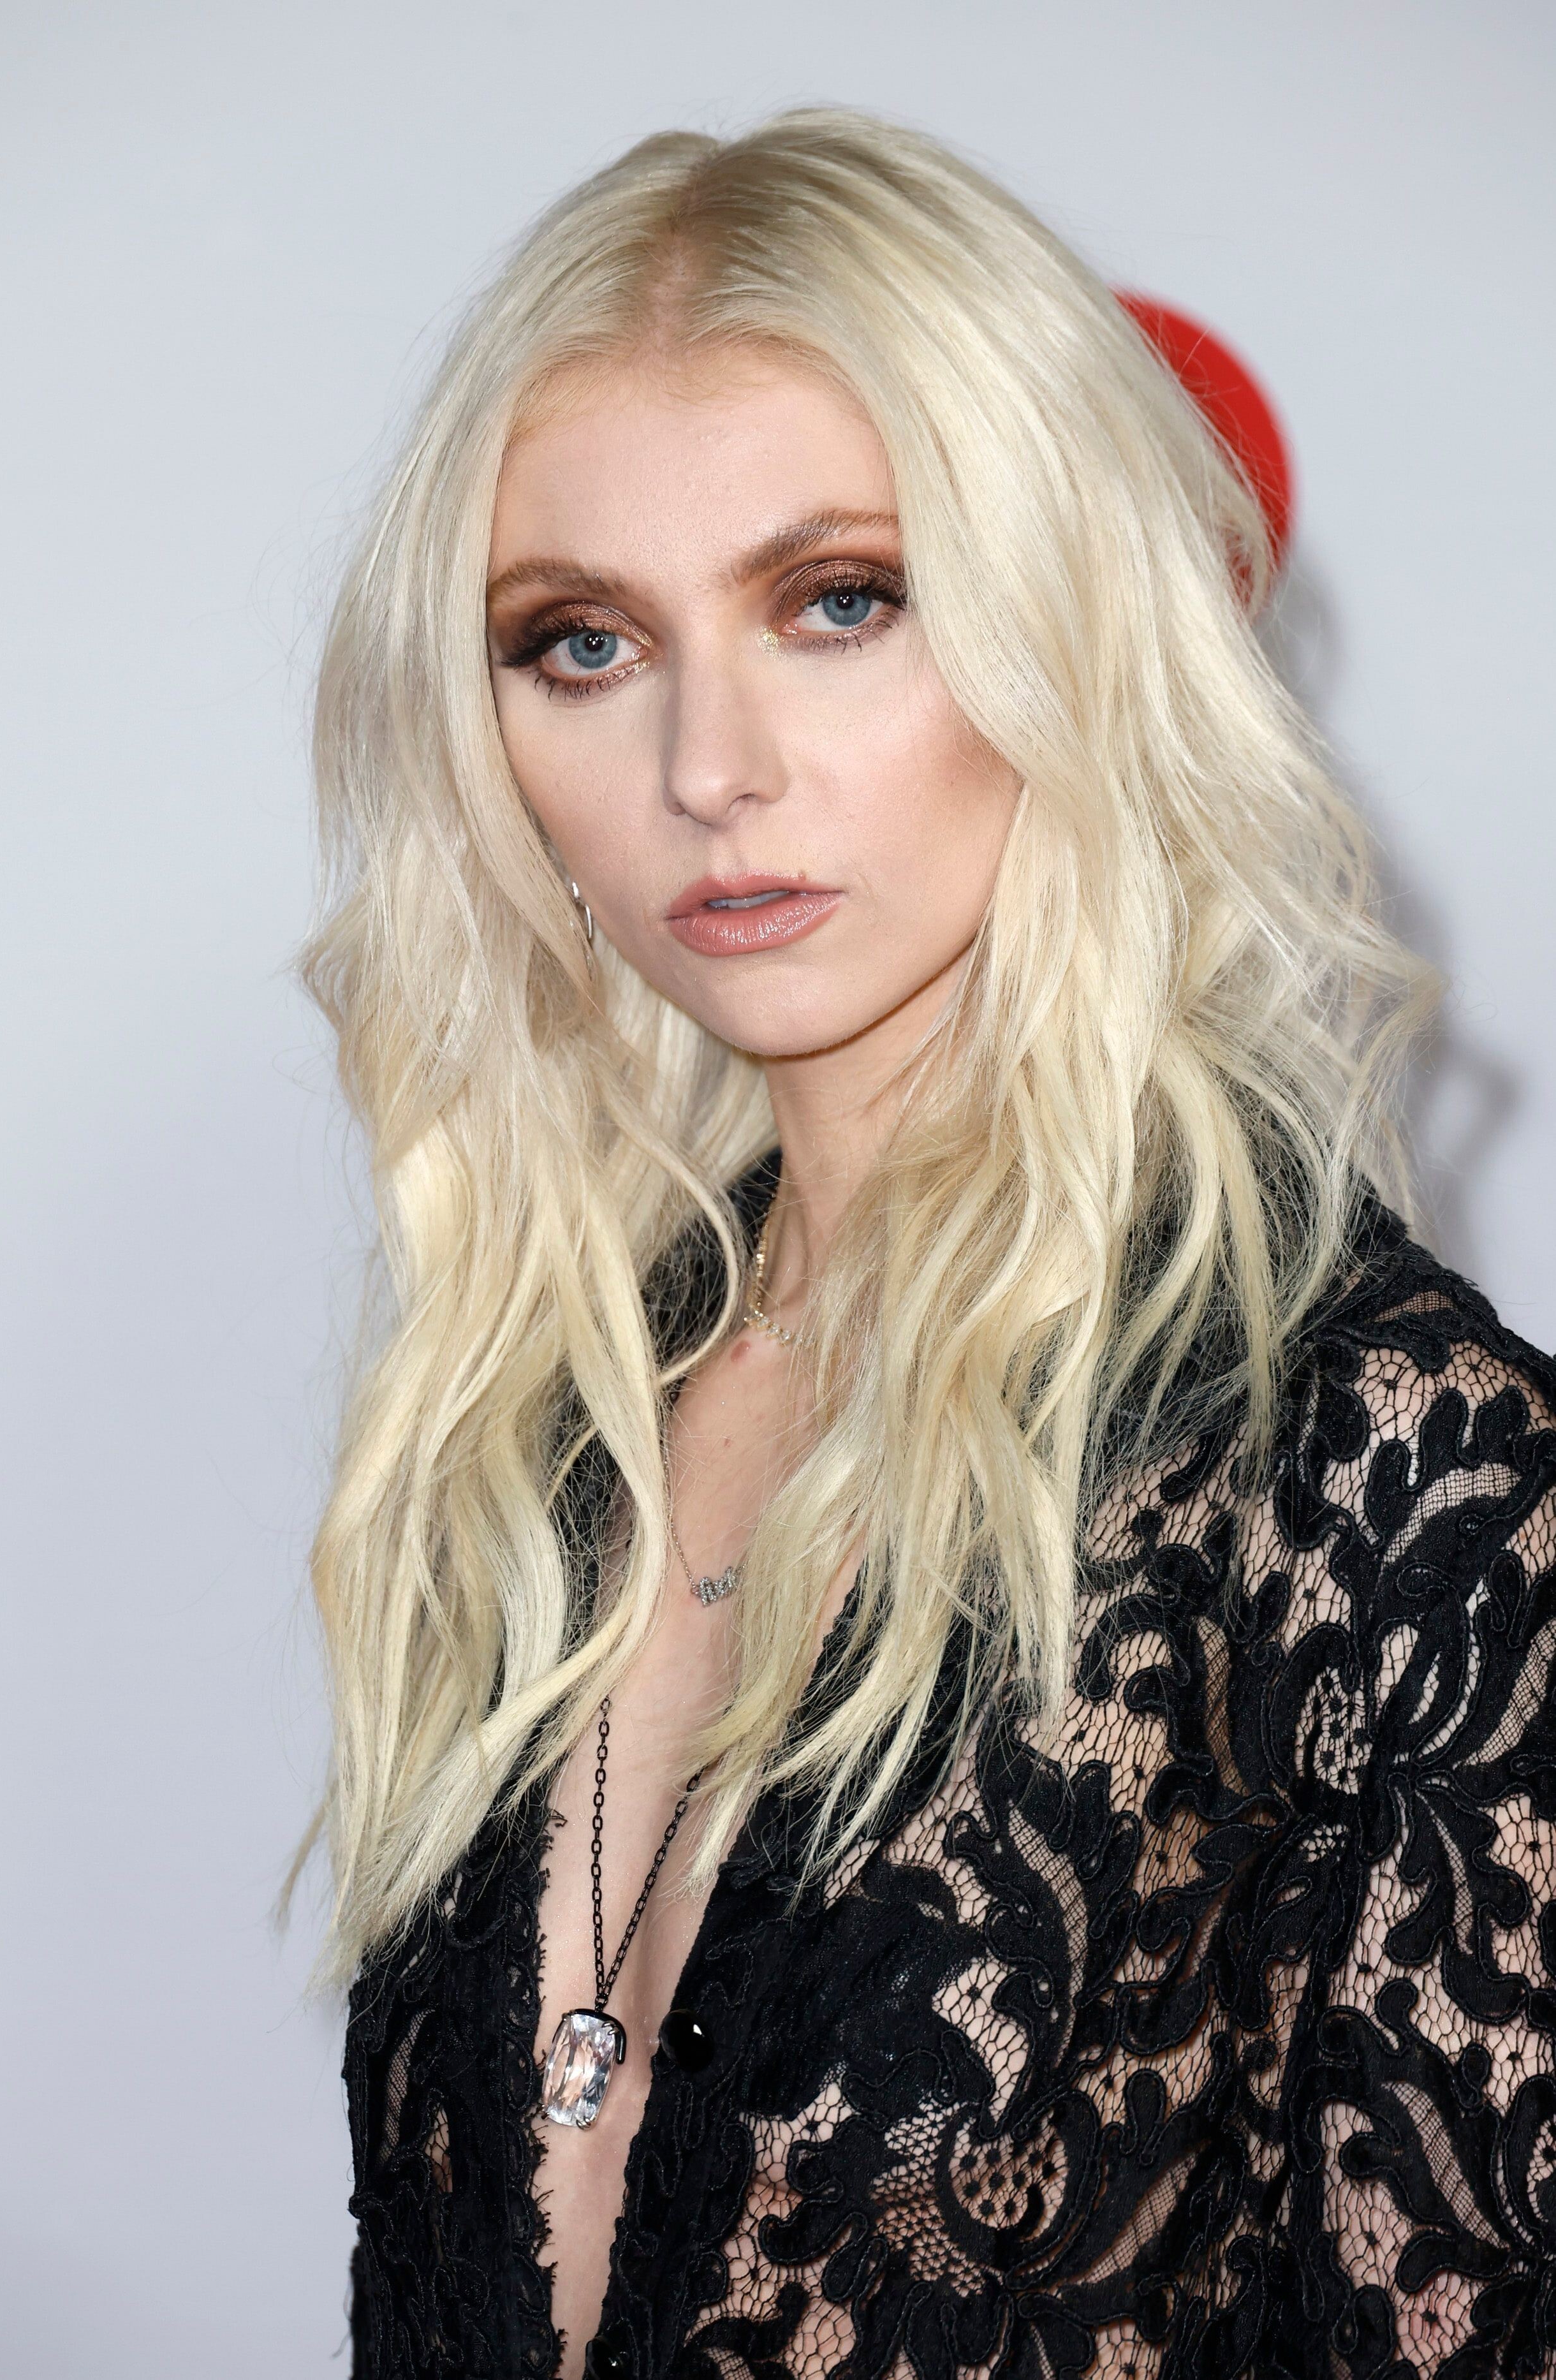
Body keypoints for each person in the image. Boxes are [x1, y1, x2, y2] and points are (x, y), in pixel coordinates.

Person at [302, 108, 1556, 2380]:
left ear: (1071, 618)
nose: (709, 765)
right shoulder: (549, 1429)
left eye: (839, 601)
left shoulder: (1396, 1475)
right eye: (582, 642)